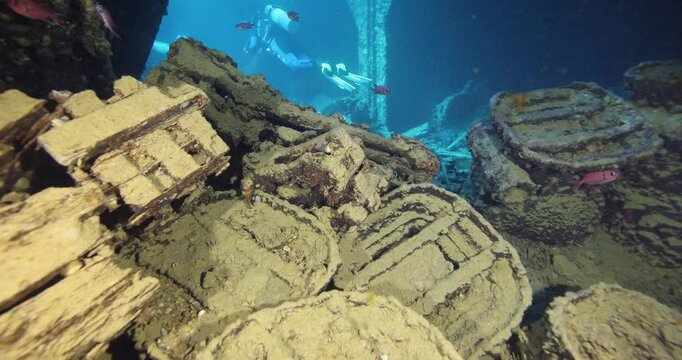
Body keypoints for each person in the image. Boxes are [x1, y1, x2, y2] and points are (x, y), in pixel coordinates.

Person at [243, 5, 371, 91]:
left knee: (294, 64)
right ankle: (329, 65)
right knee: (302, 57)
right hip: (290, 39)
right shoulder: (272, 16)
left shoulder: (256, 25)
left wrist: (252, 49)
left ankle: (320, 66)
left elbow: (252, 46)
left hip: (276, 42)